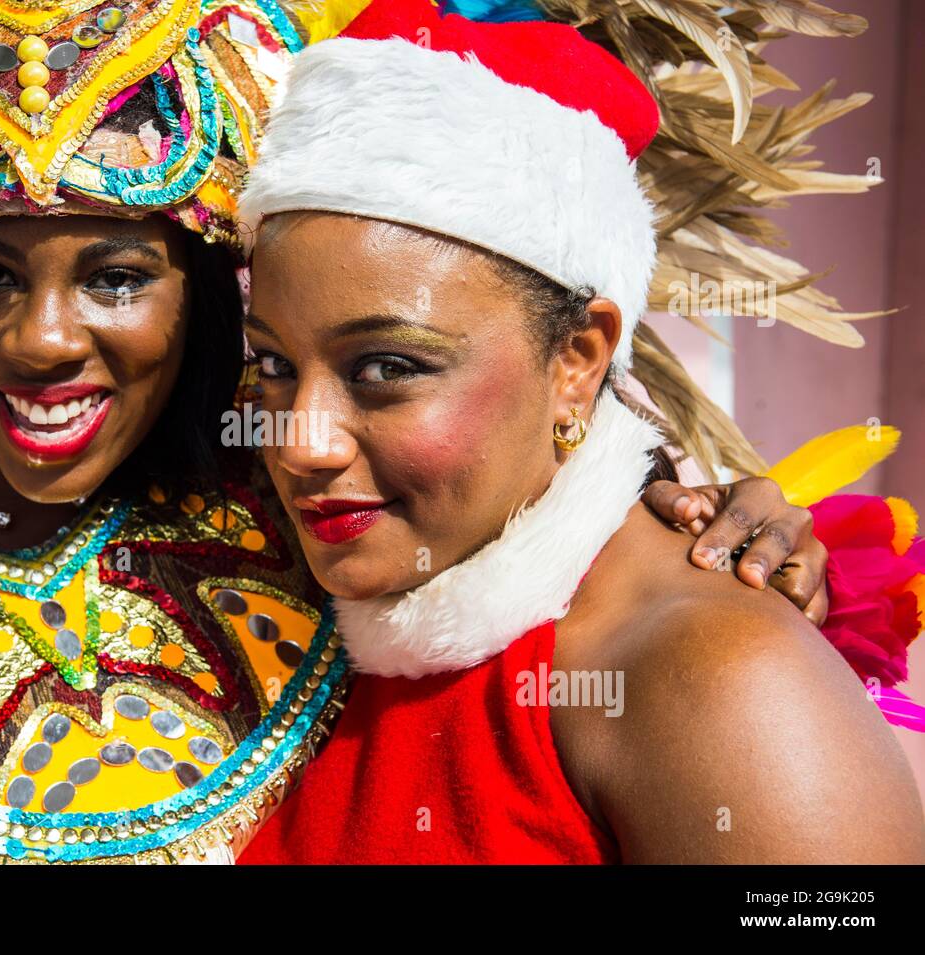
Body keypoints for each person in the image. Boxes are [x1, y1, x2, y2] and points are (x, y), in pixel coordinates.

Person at [0, 0, 850, 865]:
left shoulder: (319, 538)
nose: (43, 340)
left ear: (203, 303)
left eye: (113, 276)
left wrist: (679, 515)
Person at [235, 1, 925, 864]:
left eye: (386, 368)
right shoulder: (303, 598)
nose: (302, 441)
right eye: (271, 364)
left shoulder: (715, 676)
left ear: (578, 359)